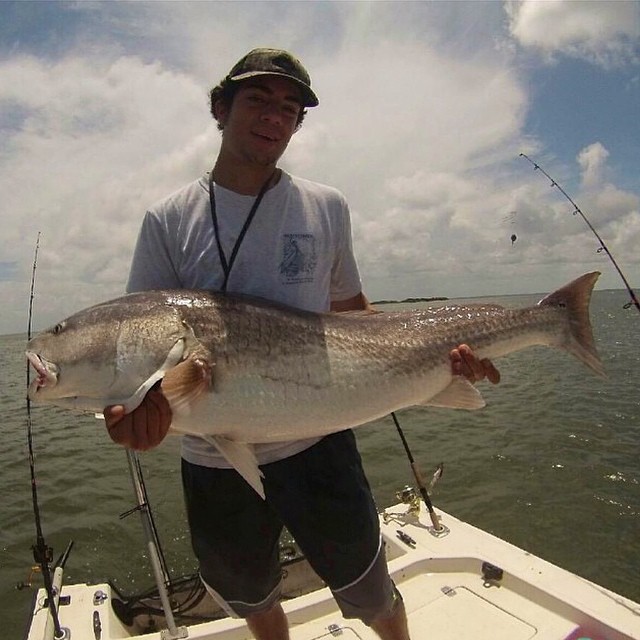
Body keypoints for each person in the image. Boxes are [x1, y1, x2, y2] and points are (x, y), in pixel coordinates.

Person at [104, 48, 500, 640]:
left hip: (318, 441)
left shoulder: (326, 206)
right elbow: (141, 339)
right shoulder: (167, 219)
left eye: (290, 107)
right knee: (250, 598)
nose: (275, 116)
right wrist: (129, 412)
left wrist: (441, 361)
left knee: (370, 588)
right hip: (214, 458)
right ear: (221, 107)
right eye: (259, 100)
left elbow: (354, 316)